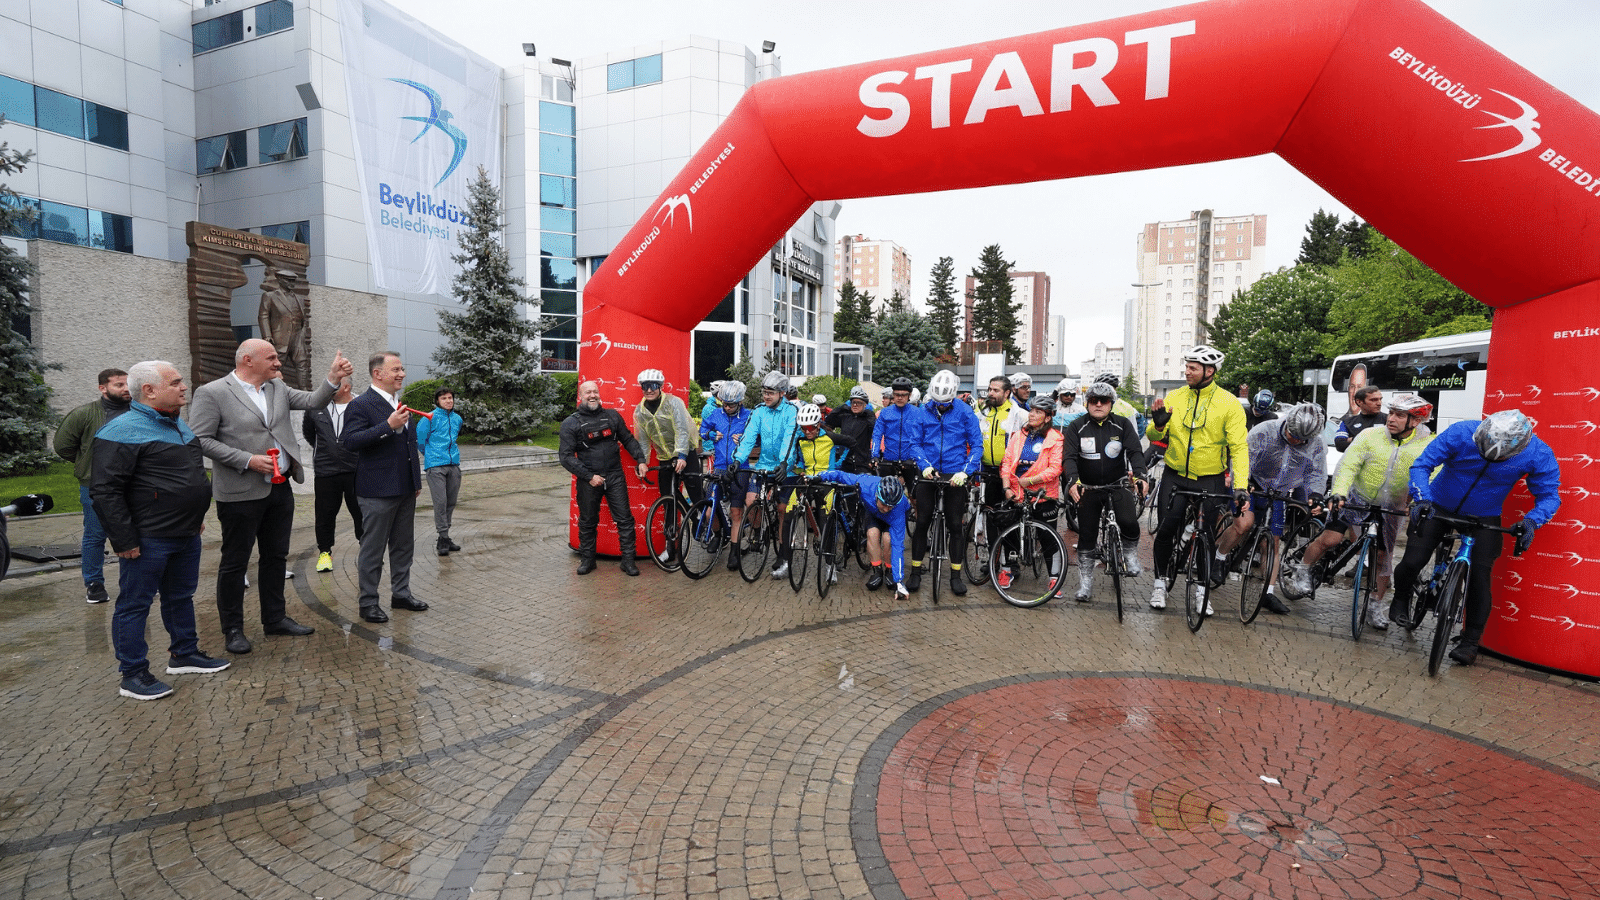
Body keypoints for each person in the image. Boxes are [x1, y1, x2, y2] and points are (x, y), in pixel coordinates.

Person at [189, 338, 350, 654]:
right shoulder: (212, 393)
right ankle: (233, 628)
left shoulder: (277, 387)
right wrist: (247, 459)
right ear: (247, 360)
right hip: (239, 491)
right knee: (235, 562)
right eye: (272, 358)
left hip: (280, 487)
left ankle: (275, 619)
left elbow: (313, 401)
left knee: (276, 557)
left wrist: (332, 378)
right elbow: (200, 440)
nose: (279, 363)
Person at [91, 361, 228, 700]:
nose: (184, 387)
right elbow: (104, 490)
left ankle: (184, 653)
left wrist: (195, 514)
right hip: (147, 537)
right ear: (149, 391)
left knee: (180, 596)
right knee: (135, 604)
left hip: (185, 533)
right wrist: (123, 539)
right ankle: (133, 674)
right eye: (176, 382)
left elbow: (189, 476)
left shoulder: (179, 426)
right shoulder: (121, 430)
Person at [1390, 409, 1560, 665]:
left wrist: (1532, 520)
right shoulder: (1461, 432)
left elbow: (1549, 495)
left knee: (1480, 577)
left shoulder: (1538, 452)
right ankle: (1401, 596)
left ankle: (1470, 641)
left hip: (1485, 515)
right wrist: (1422, 498)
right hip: (1438, 504)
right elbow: (1423, 465)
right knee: (1414, 559)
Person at [1297, 393, 1434, 629]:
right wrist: (1339, 492)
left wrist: (1422, 501)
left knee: (1383, 559)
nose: (1391, 418)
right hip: (1355, 497)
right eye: (1390, 413)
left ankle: (1374, 607)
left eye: (1399, 415)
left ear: (1416, 421)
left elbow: (1433, 474)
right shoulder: (1370, 435)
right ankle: (1301, 572)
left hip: (1391, 508)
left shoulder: (1428, 444)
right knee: (1331, 539)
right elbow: (1349, 465)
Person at [1145, 344, 1250, 611]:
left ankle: (1202, 594)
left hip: (1210, 478)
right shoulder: (1176, 397)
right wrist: (1157, 425)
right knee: (1166, 530)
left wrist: (1240, 487)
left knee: (1205, 535)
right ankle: (1159, 585)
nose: (1187, 372)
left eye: (1193, 368)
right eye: (1187, 366)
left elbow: (1239, 447)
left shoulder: (1229, 404)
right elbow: (1154, 437)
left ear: (1210, 371)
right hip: (1176, 475)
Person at [343, 351, 432, 618]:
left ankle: (401, 594)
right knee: (373, 548)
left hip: (405, 488)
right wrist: (387, 426)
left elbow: (409, 446)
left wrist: (415, 481)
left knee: (403, 546)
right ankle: (368, 602)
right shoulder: (361, 405)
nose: (402, 374)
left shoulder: (399, 403)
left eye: (402, 369)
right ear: (377, 374)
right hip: (377, 490)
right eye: (396, 370)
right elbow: (350, 441)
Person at [1216, 403, 1328, 615]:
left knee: (1273, 543)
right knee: (1243, 525)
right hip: (1253, 483)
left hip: (1280, 491)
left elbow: (1317, 471)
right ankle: (1219, 557)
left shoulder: (1316, 443)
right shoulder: (1264, 430)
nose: (1295, 441)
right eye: (1292, 435)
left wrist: (1316, 495)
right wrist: (1244, 482)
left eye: (1301, 440)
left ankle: (1268, 592)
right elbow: (1243, 457)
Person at [1060, 382, 1148, 601]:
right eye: (1093, 400)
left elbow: (1135, 452)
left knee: (1129, 521)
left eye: (1104, 401)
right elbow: (1069, 457)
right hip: (1088, 487)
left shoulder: (1122, 424)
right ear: (1087, 403)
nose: (1098, 404)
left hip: (1116, 483)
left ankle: (1129, 555)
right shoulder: (1076, 426)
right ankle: (1086, 582)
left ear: (1111, 404)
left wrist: (1140, 476)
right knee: (1087, 535)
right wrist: (1072, 481)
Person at [53, 367, 131, 604]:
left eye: (128, 384)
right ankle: (94, 583)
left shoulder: (140, 411)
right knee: (96, 534)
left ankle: (134, 581)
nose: (126, 389)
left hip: (134, 484)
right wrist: (87, 464)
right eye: (119, 385)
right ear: (103, 388)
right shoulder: (85, 414)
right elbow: (63, 446)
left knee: (134, 533)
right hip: (95, 485)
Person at [559, 379, 649, 576]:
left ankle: (628, 561)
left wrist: (640, 460)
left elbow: (628, 440)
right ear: (580, 397)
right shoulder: (570, 423)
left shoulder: (612, 416)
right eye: (588, 392)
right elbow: (565, 457)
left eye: (595, 392)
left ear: (599, 394)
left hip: (615, 476)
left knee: (625, 520)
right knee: (587, 521)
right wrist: (589, 476)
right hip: (589, 479)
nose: (592, 395)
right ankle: (588, 561)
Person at [908, 369, 982, 596]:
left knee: (955, 525)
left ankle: (956, 575)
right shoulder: (922, 411)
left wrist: (966, 472)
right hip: (929, 473)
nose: (940, 406)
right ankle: (915, 571)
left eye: (945, 403)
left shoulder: (965, 412)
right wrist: (924, 464)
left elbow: (977, 445)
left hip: (954, 474)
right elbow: (914, 442)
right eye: (937, 402)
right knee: (921, 522)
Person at [733, 370, 800, 578]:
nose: (766, 397)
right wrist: (737, 459)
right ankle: (758, 532)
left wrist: (783, 464)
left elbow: (790, 440)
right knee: (751, 502)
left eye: (770, 393)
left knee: (782, 509)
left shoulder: (791, 412)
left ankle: (782, 550)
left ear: (781, 393)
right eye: (764, 392)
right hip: (763, 465)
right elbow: (748, 437)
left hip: (785, 467)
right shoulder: (759, 411)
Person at [998, 395, 1067, 592]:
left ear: (1047, 417)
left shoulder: (1055, 438)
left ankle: (1054, 578)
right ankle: (1007, 570)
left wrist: (1030, 481)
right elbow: (1006, 462)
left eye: (1038, 412)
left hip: (1042, 494)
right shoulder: (1018, 435)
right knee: (1008, 533)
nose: (1032, 415)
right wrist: (1006, 488)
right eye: (1032, 410)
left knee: (1047, 537)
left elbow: (1055, 469)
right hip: (1015, 492)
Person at [633, 367, 701, 565]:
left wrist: (682, 455)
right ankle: (670, 549)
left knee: (696, 496)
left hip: (685, 453)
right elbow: (643, 440)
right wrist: (643, 461)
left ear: (660, 386)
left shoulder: (673, 403)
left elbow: (682, 429)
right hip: (665, 457)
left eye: (653, 386)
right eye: (645, 386)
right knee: (668, 504)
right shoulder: (640, 411)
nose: (649, 390)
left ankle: (704, 525)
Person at [302, 376, 365, 572]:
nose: (327, 387)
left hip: (356, 470)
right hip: (325, 470)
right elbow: (309, 434)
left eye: (334, 384)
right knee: (324, 514)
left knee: (361, 513)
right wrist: (326, 451)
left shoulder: (362, 406)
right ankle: (324, 553)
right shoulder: (315, 407)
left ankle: (367, 551)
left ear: (346, 387)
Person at [817, 470, 911, 596]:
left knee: (888, 539)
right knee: (872, 534)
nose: (886, 509)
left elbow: (898, 546)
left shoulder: (897, 508)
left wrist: (899, 582)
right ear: (877, 495)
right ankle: (877, 571)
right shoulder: (866, 483)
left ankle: (889, 570)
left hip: (894, 518)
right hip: (873, 513)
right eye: (883, 504)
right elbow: (840, 475)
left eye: (890, 506)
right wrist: (818, 477)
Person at [700, 380, 753, 570]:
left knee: (736, 512)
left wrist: (747, 440)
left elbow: (758, 438)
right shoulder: (715, 413)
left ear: (739, 402)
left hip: (740, 469)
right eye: (724, 403)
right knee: (709, 510)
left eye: (731, 404)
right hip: (720, 466)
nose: (727, 407)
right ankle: (717, 534)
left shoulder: (749, 416)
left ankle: (734, 550)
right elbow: (703, 430)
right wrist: (711, 435)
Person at [417, 386, 464, 557]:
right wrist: (431, 455)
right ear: (438, 401)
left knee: (450, 502)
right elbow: (420, 440)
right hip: (436, 466)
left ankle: (445, 536)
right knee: (440, 502)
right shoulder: (429, 418)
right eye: (444, 398)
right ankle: (443, 538)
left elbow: (455, 437)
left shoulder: (457, 419)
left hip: (454, 465)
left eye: (450, 398)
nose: (448, 401)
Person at [977, 375, 1027, 528]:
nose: (991, 393)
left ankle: (1011, 551)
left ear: (1007, 393)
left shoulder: (1020, 415)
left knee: (1010, 517)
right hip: (988, 472)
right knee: (992, 516)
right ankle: (993, 550)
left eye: (996, 390)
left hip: (1011, 474)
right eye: (990, 389)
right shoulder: (982, 413)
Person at [871, 376, 926, 487]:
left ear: (909, 395)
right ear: (893, 395)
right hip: (889, 459)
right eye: (897, 395)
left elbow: (925, 437)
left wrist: (919, 457)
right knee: (886, 497)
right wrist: (874, 455)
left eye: (903, 395)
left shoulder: (918, 413)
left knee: (915, 497)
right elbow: (877, 435)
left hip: (910, 460)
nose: (900, 398)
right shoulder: (885, 413)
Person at [823, 385, 876, 474]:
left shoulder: (867, 418)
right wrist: (840, 408)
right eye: (853, 402)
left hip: (861, 461)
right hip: (843, 460)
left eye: (858, 403)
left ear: (865, 404)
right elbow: (829, 421)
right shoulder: (845, 417)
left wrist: (869, 414)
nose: (855, 405)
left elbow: (874, 429)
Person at [1336, 384, 1385, 453]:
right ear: (1359, 402)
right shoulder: (1347, 422)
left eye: (1380, 399)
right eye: (1373, 400)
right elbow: (1340, 445)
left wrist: (1352, 439)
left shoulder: (1389, 420)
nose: (1379, 403)